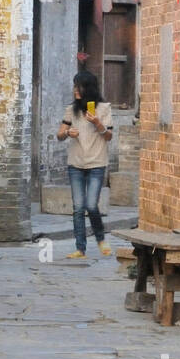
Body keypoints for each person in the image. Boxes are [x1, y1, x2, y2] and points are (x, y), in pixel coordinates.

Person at [57, 70, 114, 258]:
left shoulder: (104, 108)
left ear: (87, 88)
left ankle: (100, 239)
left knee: (91, 205)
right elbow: (59, 134)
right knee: (78, 207)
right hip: (76, 164)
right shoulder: (71, 110)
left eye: (77, 86)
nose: (75, 90)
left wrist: (97, 123)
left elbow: (108, 136)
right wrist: (67, 133)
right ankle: (80, 248)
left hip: (97, 163)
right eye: (74, 86)